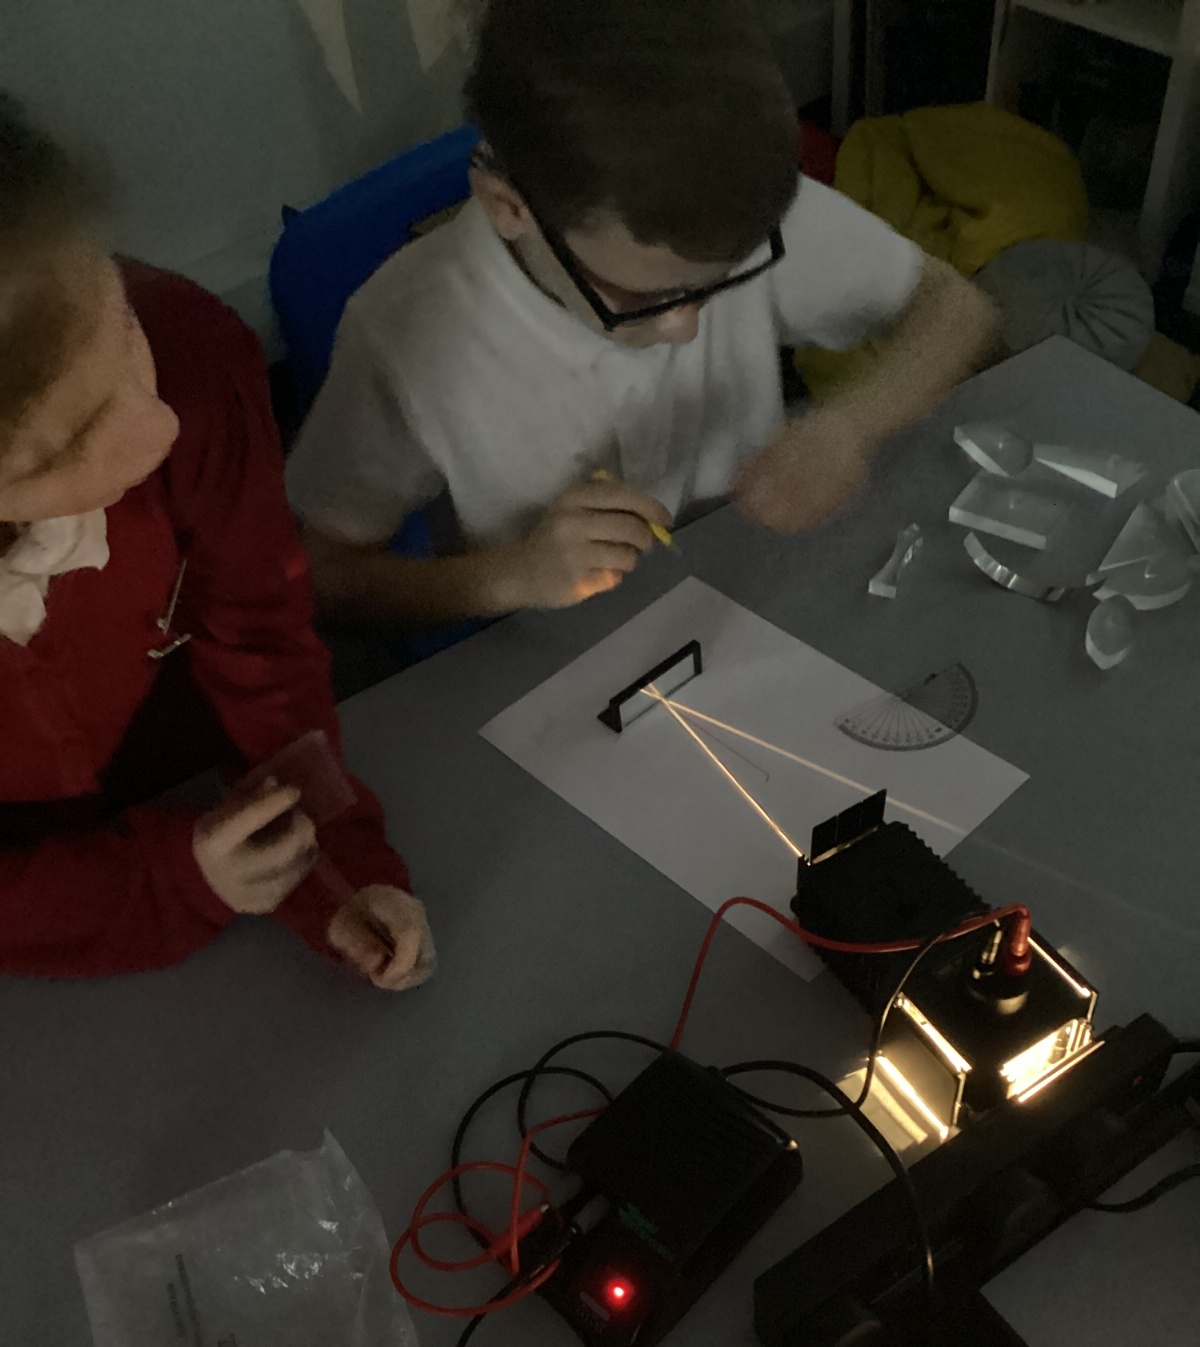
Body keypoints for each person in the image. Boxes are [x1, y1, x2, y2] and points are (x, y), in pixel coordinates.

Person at [287, 0, 999, 632]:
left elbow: (958, 311)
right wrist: (512, 576)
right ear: (509, 207)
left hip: (753, 599)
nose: (684, 329)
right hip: (554, 662)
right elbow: (323, 581)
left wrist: (848, 426)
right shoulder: (407, 335)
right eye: (640, 298)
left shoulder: (723, 206)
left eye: (724, 281)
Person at [0, 95, 433, 986]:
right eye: (68, 447)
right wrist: (166, 882)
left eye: (122, 327)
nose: (158, 430)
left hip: (196, 793)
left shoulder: (190, 354)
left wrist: (333, 861)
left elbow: (262, 644)